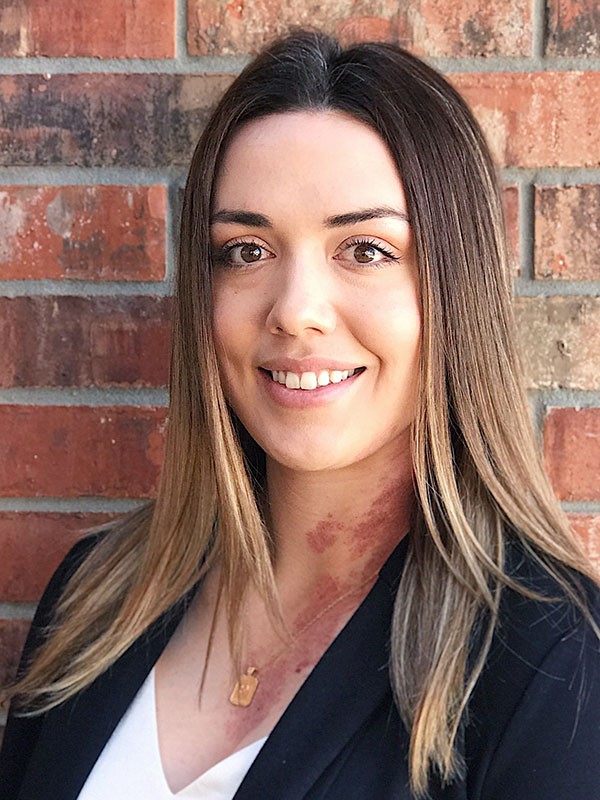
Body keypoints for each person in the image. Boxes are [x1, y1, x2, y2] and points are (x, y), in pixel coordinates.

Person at [1, 30, 599, 800]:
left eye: (366, 249)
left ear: (455, 291)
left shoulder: (546, 658)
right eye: (247, 251)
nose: (297, 311)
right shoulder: (100, 596)